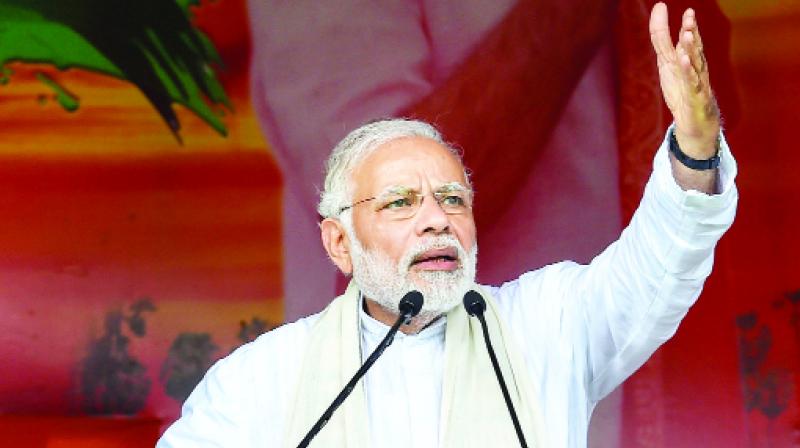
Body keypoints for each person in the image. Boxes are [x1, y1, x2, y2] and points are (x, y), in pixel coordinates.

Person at [157, 3, 738, 447]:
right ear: (338, 242)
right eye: (401, 203)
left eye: (454, 200)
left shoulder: (544, 328)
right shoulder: (263, 384)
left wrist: (693, 150)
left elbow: (665, 260)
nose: (436, 221)